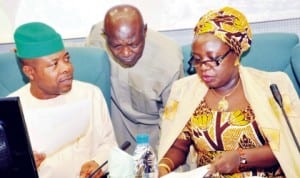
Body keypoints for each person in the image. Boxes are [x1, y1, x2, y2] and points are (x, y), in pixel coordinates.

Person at [157, 6, 300, 178]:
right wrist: (164, 167)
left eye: (214, 59)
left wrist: (242, 159)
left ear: (235, 54)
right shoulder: (185, 91)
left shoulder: (271, 87)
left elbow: (290, 145)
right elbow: (179, 145)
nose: (204, 68)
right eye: (197, 60)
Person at [9, 22, 117, 178]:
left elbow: (109, 145)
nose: (67, 68)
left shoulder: (90, 94)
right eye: (54, 64)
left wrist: (97, 163)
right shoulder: (12, 111)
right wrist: (24, 167)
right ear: (30, 72)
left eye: (66, 59)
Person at [85, 4, 184, 154]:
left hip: (156, 131)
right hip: (116, 125)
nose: (125, 53)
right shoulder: (97, 38)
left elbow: (172, 120)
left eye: (133, 45)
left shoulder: (169, 61)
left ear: (144, 31)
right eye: (116, 46)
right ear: (105, 36)